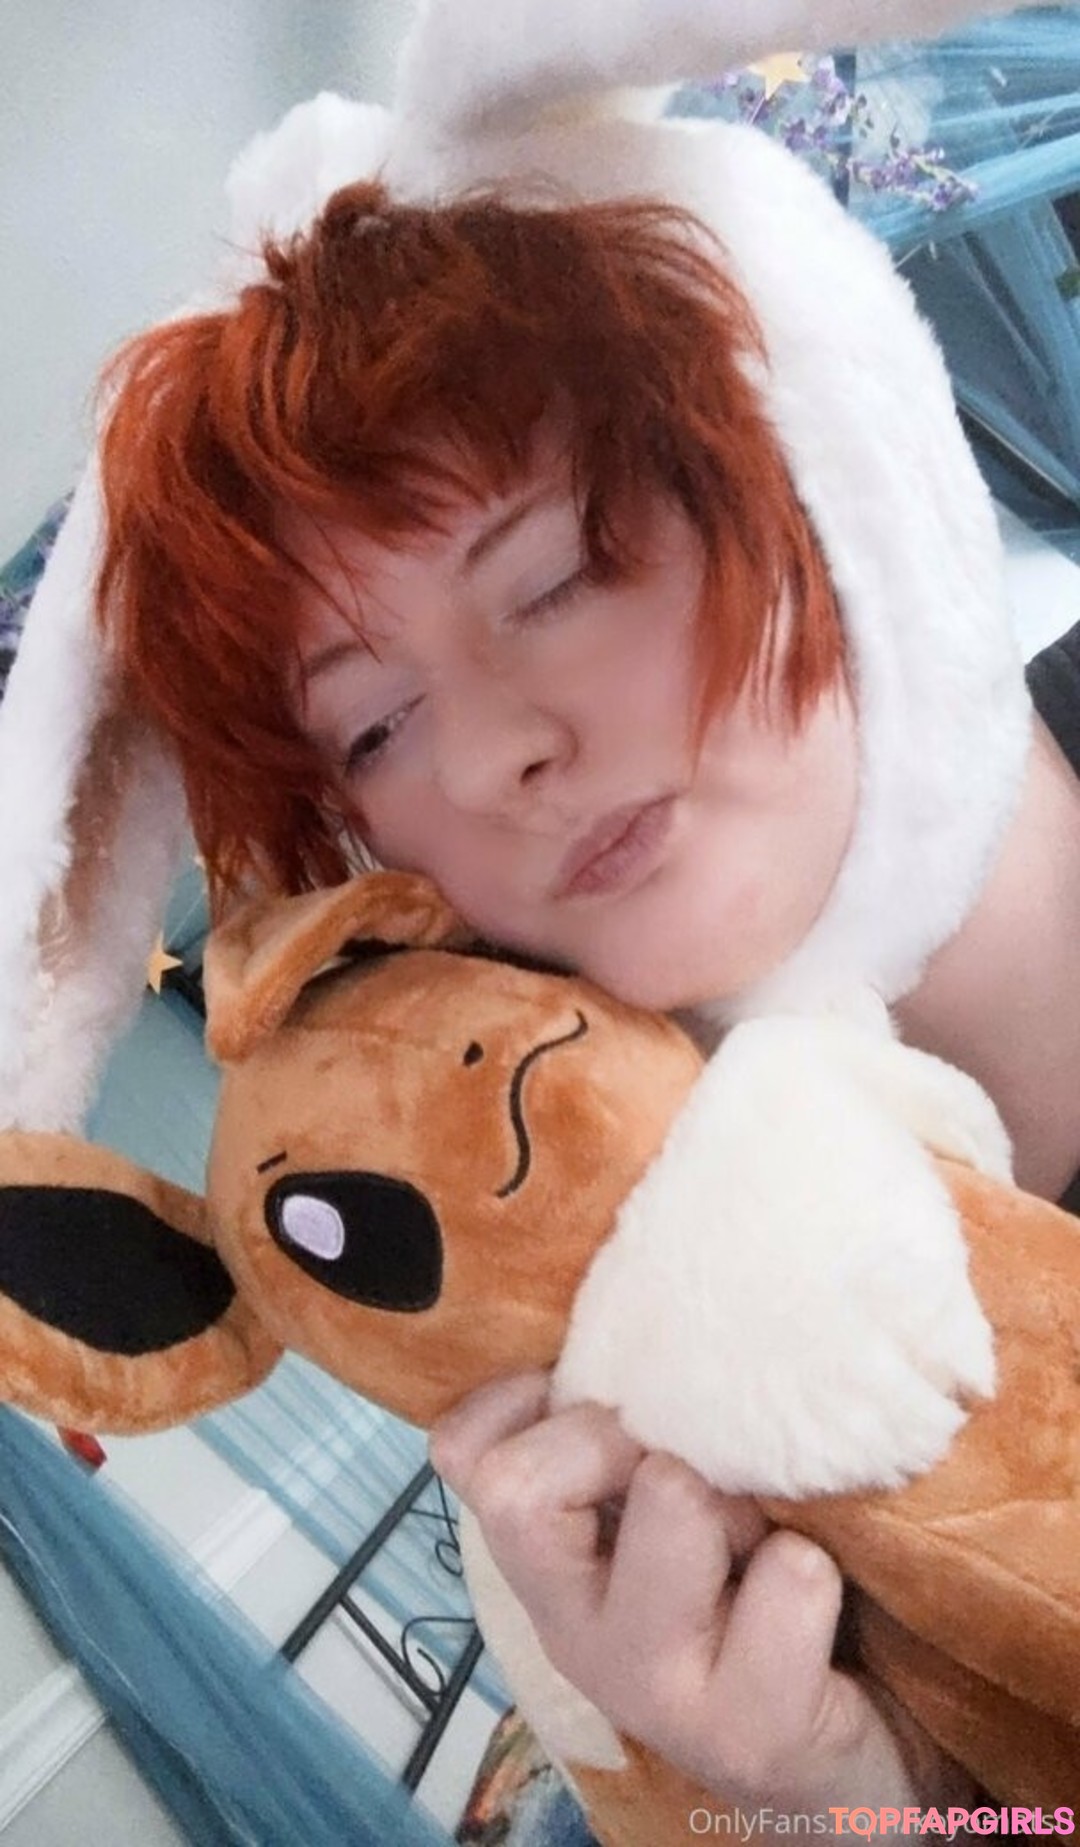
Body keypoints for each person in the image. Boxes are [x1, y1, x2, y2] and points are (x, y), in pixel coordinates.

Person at [1, 0, 1066, 1825]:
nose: (497, 752)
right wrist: (860, 1801)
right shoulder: (678, 1424)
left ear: (814, 452)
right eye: (374, 727)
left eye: (559, 574)